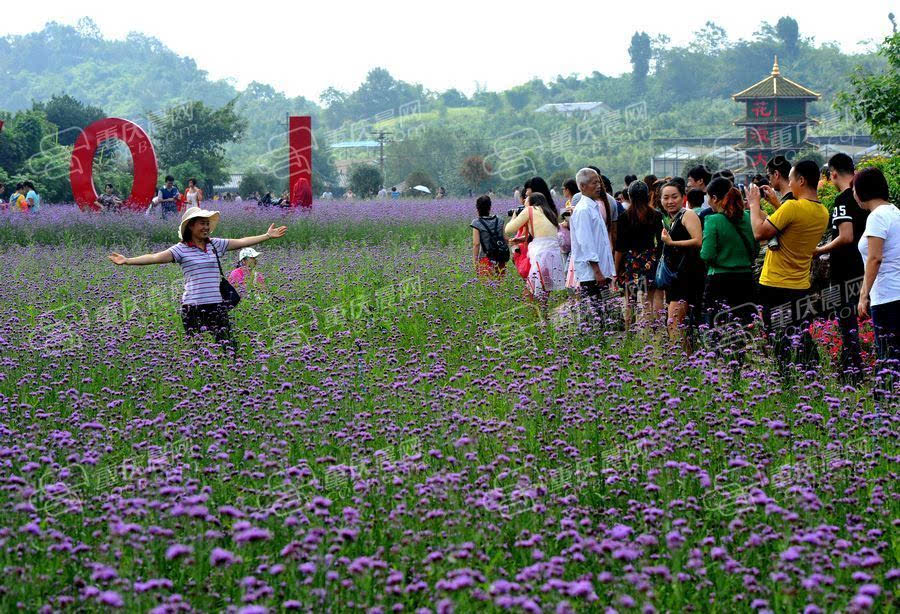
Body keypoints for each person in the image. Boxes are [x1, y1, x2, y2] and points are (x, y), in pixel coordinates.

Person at [108, 207, 287, 352]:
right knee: (195, 351)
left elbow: (242, 241)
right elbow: (154, 257)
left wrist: (267, 236)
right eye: (202, 224)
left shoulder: (215, 244)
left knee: (230, 349)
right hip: (192, 307)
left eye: (207, 224)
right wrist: (127, 261)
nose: (206, 227)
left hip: (217, 306)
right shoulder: (180, 250)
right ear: (191, 226)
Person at [748, 159, 830, 373]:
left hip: (774, 283)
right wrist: (776, 204)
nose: (790, 184)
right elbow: (794, 227)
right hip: (800, 284)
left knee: (777, 336)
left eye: (791, 179)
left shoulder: (792, 207)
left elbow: (759, 232)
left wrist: (754, 203)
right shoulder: (822, 212)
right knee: (800, 332)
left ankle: (785, 378)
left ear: (801, 180)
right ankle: (810, 374)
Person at [813, 153, 867, 380]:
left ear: (833, 173)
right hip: (866, 269)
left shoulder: (843, 200)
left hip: (845, 272)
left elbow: (845, 236)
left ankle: (852, 373)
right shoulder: (866, 198)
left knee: (847, 325)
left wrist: (819, 250)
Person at [854, 167, 900, 394]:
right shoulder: (895, 212)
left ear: (861, 191)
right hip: (896, 293)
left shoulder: (876, 216)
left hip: (887, 297)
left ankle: (886, 415)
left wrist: (864, 296)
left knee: (888, 359)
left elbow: (874, 258)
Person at [700, 177, 759, 329]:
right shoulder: (748, 217)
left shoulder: (712, 220)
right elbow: (756, 248)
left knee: (720, 326)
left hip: (720, 281)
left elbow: (707, 254)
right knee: (745, 325)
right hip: (746, 280)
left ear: (714, 198)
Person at [615, 180, 664, 329]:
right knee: (649, 298)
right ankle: (650, 331)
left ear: (629, 196)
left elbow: (620, 246)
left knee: (630, 299)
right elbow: (661, 241)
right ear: (648, 195)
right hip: (650, 259)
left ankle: (630, 331)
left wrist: (616, 269)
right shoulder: (656, 215)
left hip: (631, 261)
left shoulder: (624, 217)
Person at [659, 181, 704, 344]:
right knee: (678, 324)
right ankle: (684, 359)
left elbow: (698, 241)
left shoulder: (688, 215)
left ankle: (680, 361)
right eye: (665, 198)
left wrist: (672, 243)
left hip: (688, 276)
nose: (670, 201)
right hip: (676, 276)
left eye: (674, 197)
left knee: (674, 323)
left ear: (683, 197)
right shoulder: (671, 218)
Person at [505, 193, 566, 308]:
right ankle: (544, 321)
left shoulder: (530, 210)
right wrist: (520, 239)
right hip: (553, 257)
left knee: (529, 295)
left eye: (526, 201)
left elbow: (508, 229)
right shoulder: (549, 213)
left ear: (532, 202)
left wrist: (514, 215)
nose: (524, 203)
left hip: (541, 256)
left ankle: (538, 321)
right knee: (543, 295)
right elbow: (543, 234)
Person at [570, 168, 616, 315]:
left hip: (600, 270)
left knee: (606, 310)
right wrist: (597, 271)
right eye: (594, 183)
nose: (598, 186)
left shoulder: (593, 206)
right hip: (593, 273)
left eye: (599, 182)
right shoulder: (583, 210)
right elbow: (586, 243)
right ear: (582, 187)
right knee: (597, 313)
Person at [470, 195, 507, 278]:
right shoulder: (499, 220)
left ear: (477, 208)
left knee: (487, 287)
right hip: (500, 257)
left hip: (485, 257)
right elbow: (505, 239)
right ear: (490, 207)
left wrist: (475, 262)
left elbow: (476, 244)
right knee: (500, 285)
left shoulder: (477, 223)